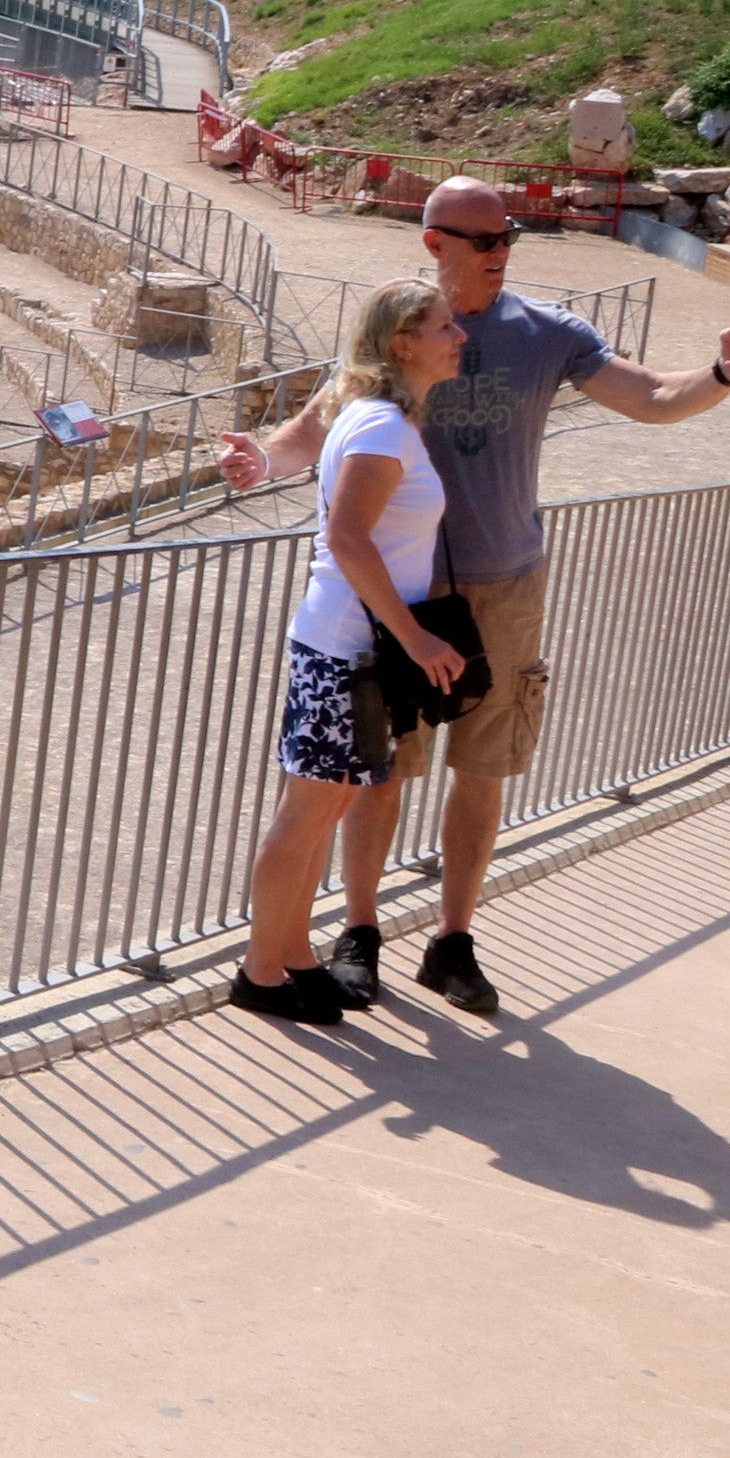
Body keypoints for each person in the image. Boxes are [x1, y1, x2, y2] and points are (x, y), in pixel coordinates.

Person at [220, 175, 730, 1016]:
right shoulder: (400, 335)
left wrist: (724, 373)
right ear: (435, 243)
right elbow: (317, 427)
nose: (502, 251)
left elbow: (655, 398)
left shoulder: (549, 333)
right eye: (484, 240)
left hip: (503, 584)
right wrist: (262, 459)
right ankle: (357, 935)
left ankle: (452, 941)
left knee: (483, 766)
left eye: (509, 235)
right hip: (403, 597)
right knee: (380, 774)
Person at [237, 284, 474, 1027]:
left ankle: (294, 957)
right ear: (403, 343)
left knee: (329, 803)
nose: (459, 335)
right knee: (307, 814)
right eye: (444, 326)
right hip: (348, 648)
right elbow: (347, 539)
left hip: (349, 647)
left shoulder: (379, 420)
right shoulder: (380, 427)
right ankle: (260, 972)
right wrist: (417, 637)